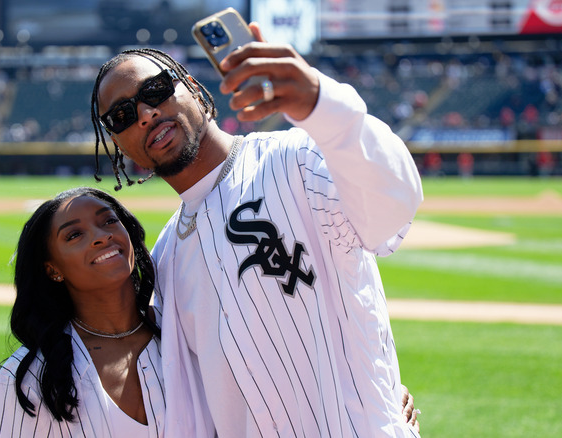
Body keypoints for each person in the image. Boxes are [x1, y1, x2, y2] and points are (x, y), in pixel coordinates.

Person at [90, 21, 422, 438]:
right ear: (119, 142)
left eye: (155, 90)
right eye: (121, 116)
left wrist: (322, 104)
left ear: (192, 87)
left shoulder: (296, 158)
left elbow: (393, 207)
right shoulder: (167, 257)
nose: (144, 113)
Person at [0, 187, 165, 437]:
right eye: (75, 234)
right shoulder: (33, 376)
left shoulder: (183, 331)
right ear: (52, 269)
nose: (101, 236)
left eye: (110, 221)